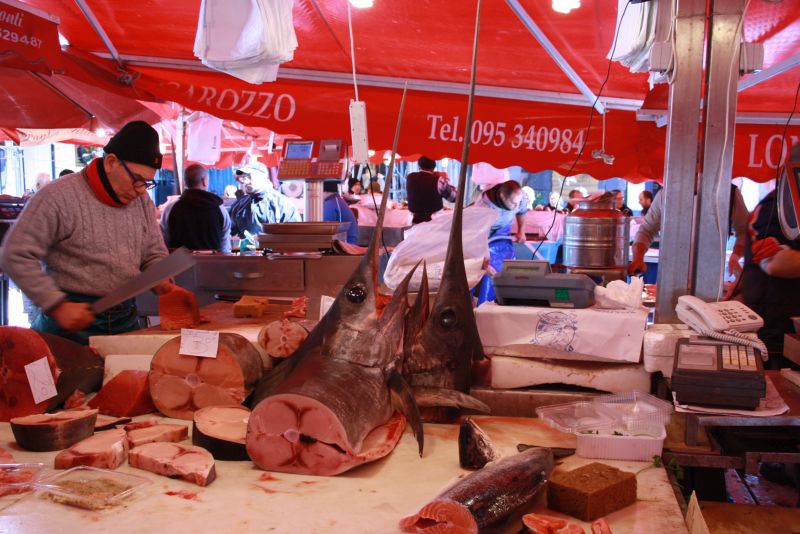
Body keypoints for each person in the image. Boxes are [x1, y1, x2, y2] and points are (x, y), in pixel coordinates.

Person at [0, 121, 172, 344]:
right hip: (68, 328)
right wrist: (55, 304)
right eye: (137, 180)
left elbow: (153, 252)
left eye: (147, 183)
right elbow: (15, 254)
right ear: (111, 162)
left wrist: (162, 279)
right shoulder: (58, 197)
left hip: (125, 320)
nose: (141, 191)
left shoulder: (142, 203)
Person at [629, 185, 749, 276]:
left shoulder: (730, 193)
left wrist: (736, 255)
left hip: (711, 277)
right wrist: (638, 257)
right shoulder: (666, 194)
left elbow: (744, 230)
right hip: (670, 275)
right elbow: (646, 230)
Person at [473, 180, 528, 305]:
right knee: (489, 271)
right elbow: (478, 239)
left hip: (504, 231)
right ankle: (485, 304)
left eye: (518, 202)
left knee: (507, 267)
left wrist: (521, 231)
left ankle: (507, 302)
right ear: (502, 196)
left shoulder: (520, 197)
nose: (516, 206)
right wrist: (485, 264)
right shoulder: (484, 206)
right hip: (484, 235)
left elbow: (522, 211)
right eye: (513, 203)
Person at [160, 164, 231, 253]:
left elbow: (163, 241)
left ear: (185, 182)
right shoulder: (220, 209)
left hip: (179, 265)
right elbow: (224, 245)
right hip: (213, 265)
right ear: (204, 181)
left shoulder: (170, 208)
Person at [230, 162, 301, 238]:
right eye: (243, 177)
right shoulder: (239, 205)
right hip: (245, 250)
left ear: (262, 177)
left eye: (249, 176)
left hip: (276, 249)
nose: (245, 181)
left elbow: (295, 236)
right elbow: (228, 232)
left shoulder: (282, 204)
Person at [406, 156, 456, 225]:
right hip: (435, 223)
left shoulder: (410, 177)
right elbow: (454, 198)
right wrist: (446, 181)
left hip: (414, 223)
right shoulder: (439, 180)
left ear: (419, 166)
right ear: (434, 167)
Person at [322, 180, 359, 244]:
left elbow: (326, 229)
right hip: (347, 244)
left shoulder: (331, 204)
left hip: (346, 246)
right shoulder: (336, 201)